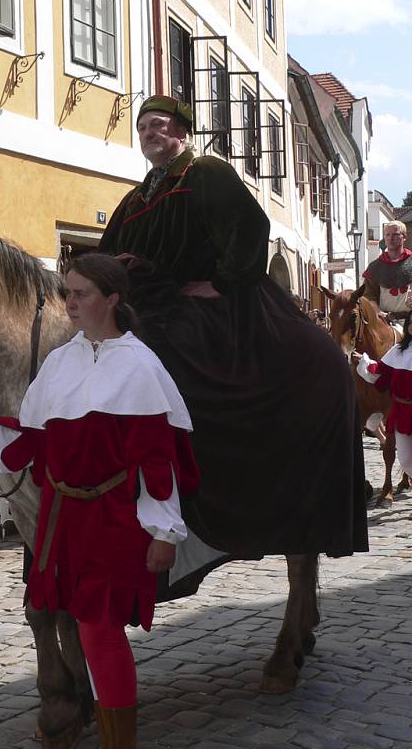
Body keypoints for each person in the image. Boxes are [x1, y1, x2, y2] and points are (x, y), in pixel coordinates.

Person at [0, 253, 200, 748]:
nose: (70, 303)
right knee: (85, 630)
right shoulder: (59, 362)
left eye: (81, 294)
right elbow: (26, 447)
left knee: (99, 631)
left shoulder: (140, 364)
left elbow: (158, 461)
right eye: (67, 293)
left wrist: (163, 531)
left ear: (112, 300)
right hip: (64, 523)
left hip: (115, 520)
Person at [99, 94, 368, 571]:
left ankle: (200, 479)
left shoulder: (206, 173)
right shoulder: (135, 197)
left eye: (159, 125)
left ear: (181, 131)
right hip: (146, 304)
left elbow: (250, 226)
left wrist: (219, 281)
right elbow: (105, 255)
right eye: (143, 129)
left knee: (177, 360)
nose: (150, 134)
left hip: (207, 302)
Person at [354, 310, 412, 474]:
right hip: (401, 411)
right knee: (406, 460)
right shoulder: (398, 351)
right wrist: (364, 361)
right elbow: (381, 370)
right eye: (411, 322)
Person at [362, 221, 412, 326]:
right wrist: (378, 312)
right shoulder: (375, 267)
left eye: (395, 234)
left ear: (404, 237)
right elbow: (369, 296)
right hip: (385, 323)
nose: (390, 238)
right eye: (387, 235)